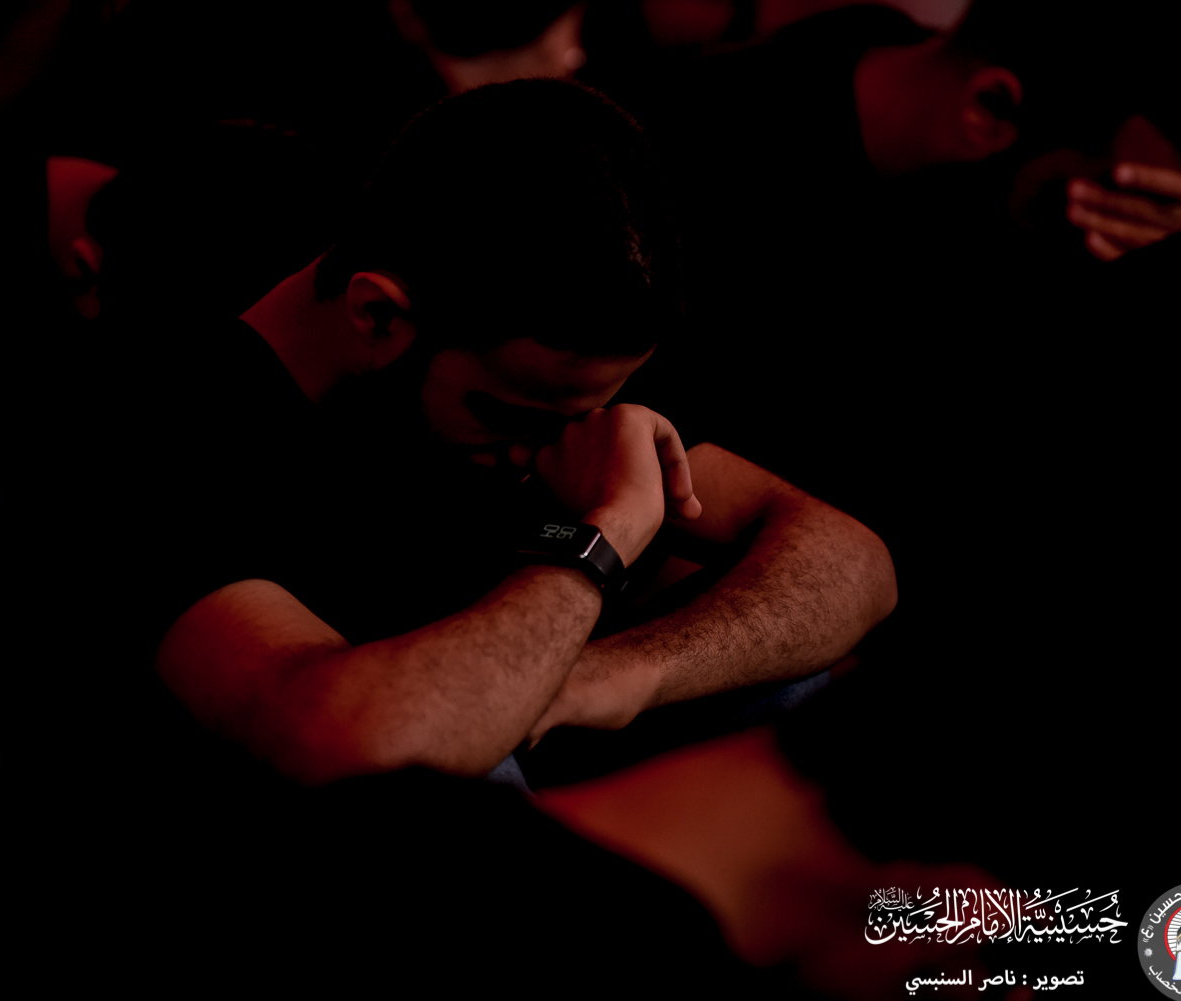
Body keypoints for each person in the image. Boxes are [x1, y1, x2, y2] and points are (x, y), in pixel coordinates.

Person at [92, 78, 896, 789]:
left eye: (583, 413)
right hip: (372, 786)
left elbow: (852, 563)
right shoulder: (167, 429)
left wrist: (617, 676)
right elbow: (355, 740)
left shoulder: (549, 345)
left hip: (566, 756)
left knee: (801, 688)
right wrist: (597, 542)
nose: (541, 451)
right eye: (512, 416)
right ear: (378, 315)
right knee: (464, 767)